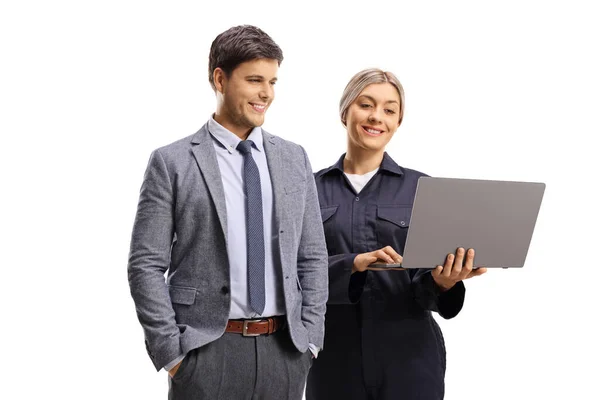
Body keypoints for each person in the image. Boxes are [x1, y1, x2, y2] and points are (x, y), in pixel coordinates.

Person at [127, 25, 328, 400]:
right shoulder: (172, 162)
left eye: (272, 81)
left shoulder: (293, 158)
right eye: (254, 80)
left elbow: (312, 255)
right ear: (220, 79)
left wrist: (310, 341)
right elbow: (145, 264)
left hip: (284, 352)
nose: (266, 93)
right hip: (206, 353)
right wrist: (173, 354)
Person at [305, 68, 487, 400]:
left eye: (390, 110)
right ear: (345, 111)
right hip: (333, 360)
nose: (377, 117)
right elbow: (293, 273)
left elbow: (424, 286)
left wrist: (444, 281)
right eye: (366, 104)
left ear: (398, 122)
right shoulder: (307, 190)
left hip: (409, 361)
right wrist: (353, 264)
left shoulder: (423, 190)